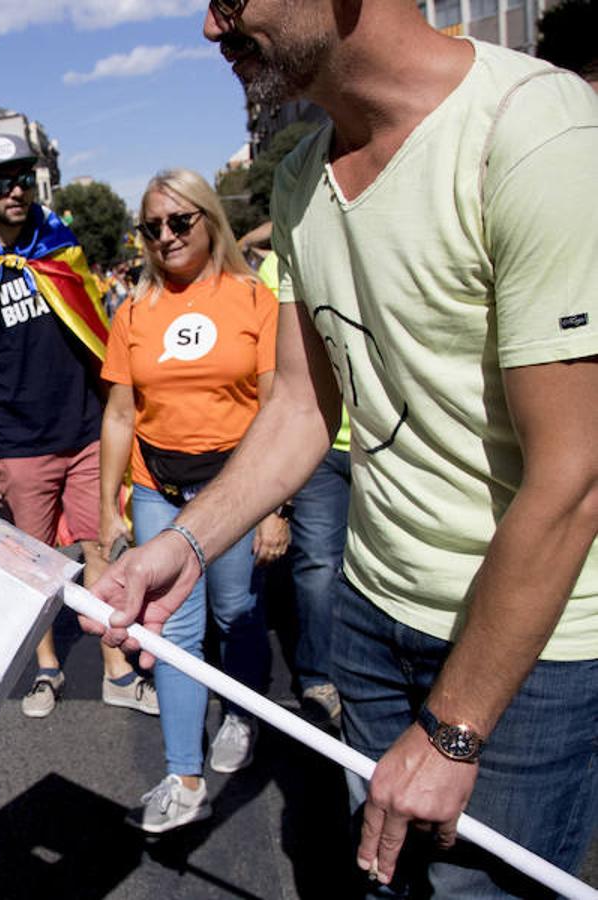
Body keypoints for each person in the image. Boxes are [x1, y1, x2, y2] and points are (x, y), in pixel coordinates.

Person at [90, 3, 598, 894]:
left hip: (529, 658)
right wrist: (183, 543)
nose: (213, 30)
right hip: (370, 623)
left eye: (232, 1)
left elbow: (576, 474)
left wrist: (453, 728)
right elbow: (297, 407)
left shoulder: (537, 133)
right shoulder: (300, 177)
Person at [0, 133, 157, 721]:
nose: (15, 190)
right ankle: (47, 667)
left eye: (21, 178)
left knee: (103, 545)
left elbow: (98, 331)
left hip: (86, 430)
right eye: (1, 181)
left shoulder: (62, 247)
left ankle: (115, 669)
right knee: (34, 563)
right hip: (18, 443)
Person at [100, 169, 287, 834]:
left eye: (180, 221)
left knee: (237, 611)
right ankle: (184, 777)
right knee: (173, 631)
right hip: (158, 488)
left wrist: (271, 505)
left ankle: (240, 708)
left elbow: (277, 405)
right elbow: (120, 415)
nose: (166, 236)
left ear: (210, 220)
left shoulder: (253, 299)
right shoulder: (133, 310)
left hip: (236, 485)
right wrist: (104, 515)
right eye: (152, 227)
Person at [257, 248, 348, 725]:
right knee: (317, 565)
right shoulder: (281, 265)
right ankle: (318, 675)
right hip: (321, 441)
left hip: (391, 438)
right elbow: (279, 372)